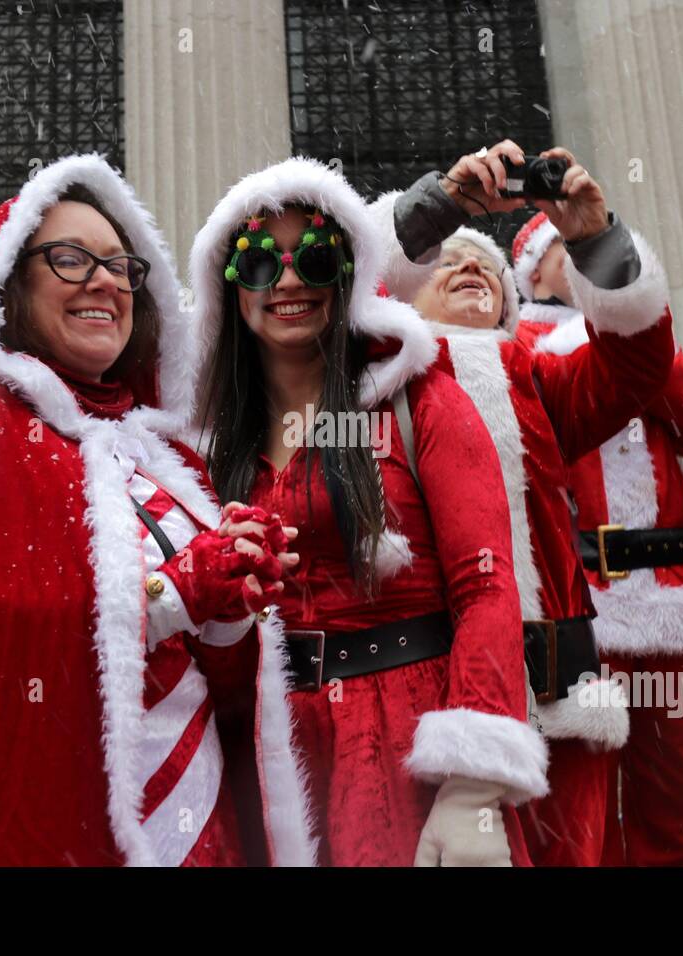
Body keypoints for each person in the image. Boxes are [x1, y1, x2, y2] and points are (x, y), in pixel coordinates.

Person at [0, 154, 314, 866]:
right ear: (9, 287)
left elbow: (205, 676)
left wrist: (233, 599)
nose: (105, 281)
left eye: (121, 266)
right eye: (72, 259)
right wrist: (174, 591)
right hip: (40, 822)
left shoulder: (170, 460)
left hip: (195, 825)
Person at [190, 157, 549, 867]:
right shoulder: (203, 440)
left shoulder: (422, 401)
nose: (289, 281)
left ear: (348, 275)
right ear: (228, 287)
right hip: (266, 751)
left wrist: (472, 785)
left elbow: (486, 584)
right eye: (259, 263)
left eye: (317, 257)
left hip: (403, 738)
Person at [376, 143, 677, 866]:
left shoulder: (538, 382)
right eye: (444, 261)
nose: (469, 266)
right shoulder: (372, 388)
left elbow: (637, 363)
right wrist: (435, 209)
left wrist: (595, 243)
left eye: (482, 262)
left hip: (561, 696)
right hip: (436, 711)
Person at [515, 211, 683, 866]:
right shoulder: (517, 354)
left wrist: (638, 351)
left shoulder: (642, 344)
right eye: (571, 247)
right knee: (579, 819)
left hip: (677, 603)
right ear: (534, 271)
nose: (590, 258)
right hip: (579, 610)